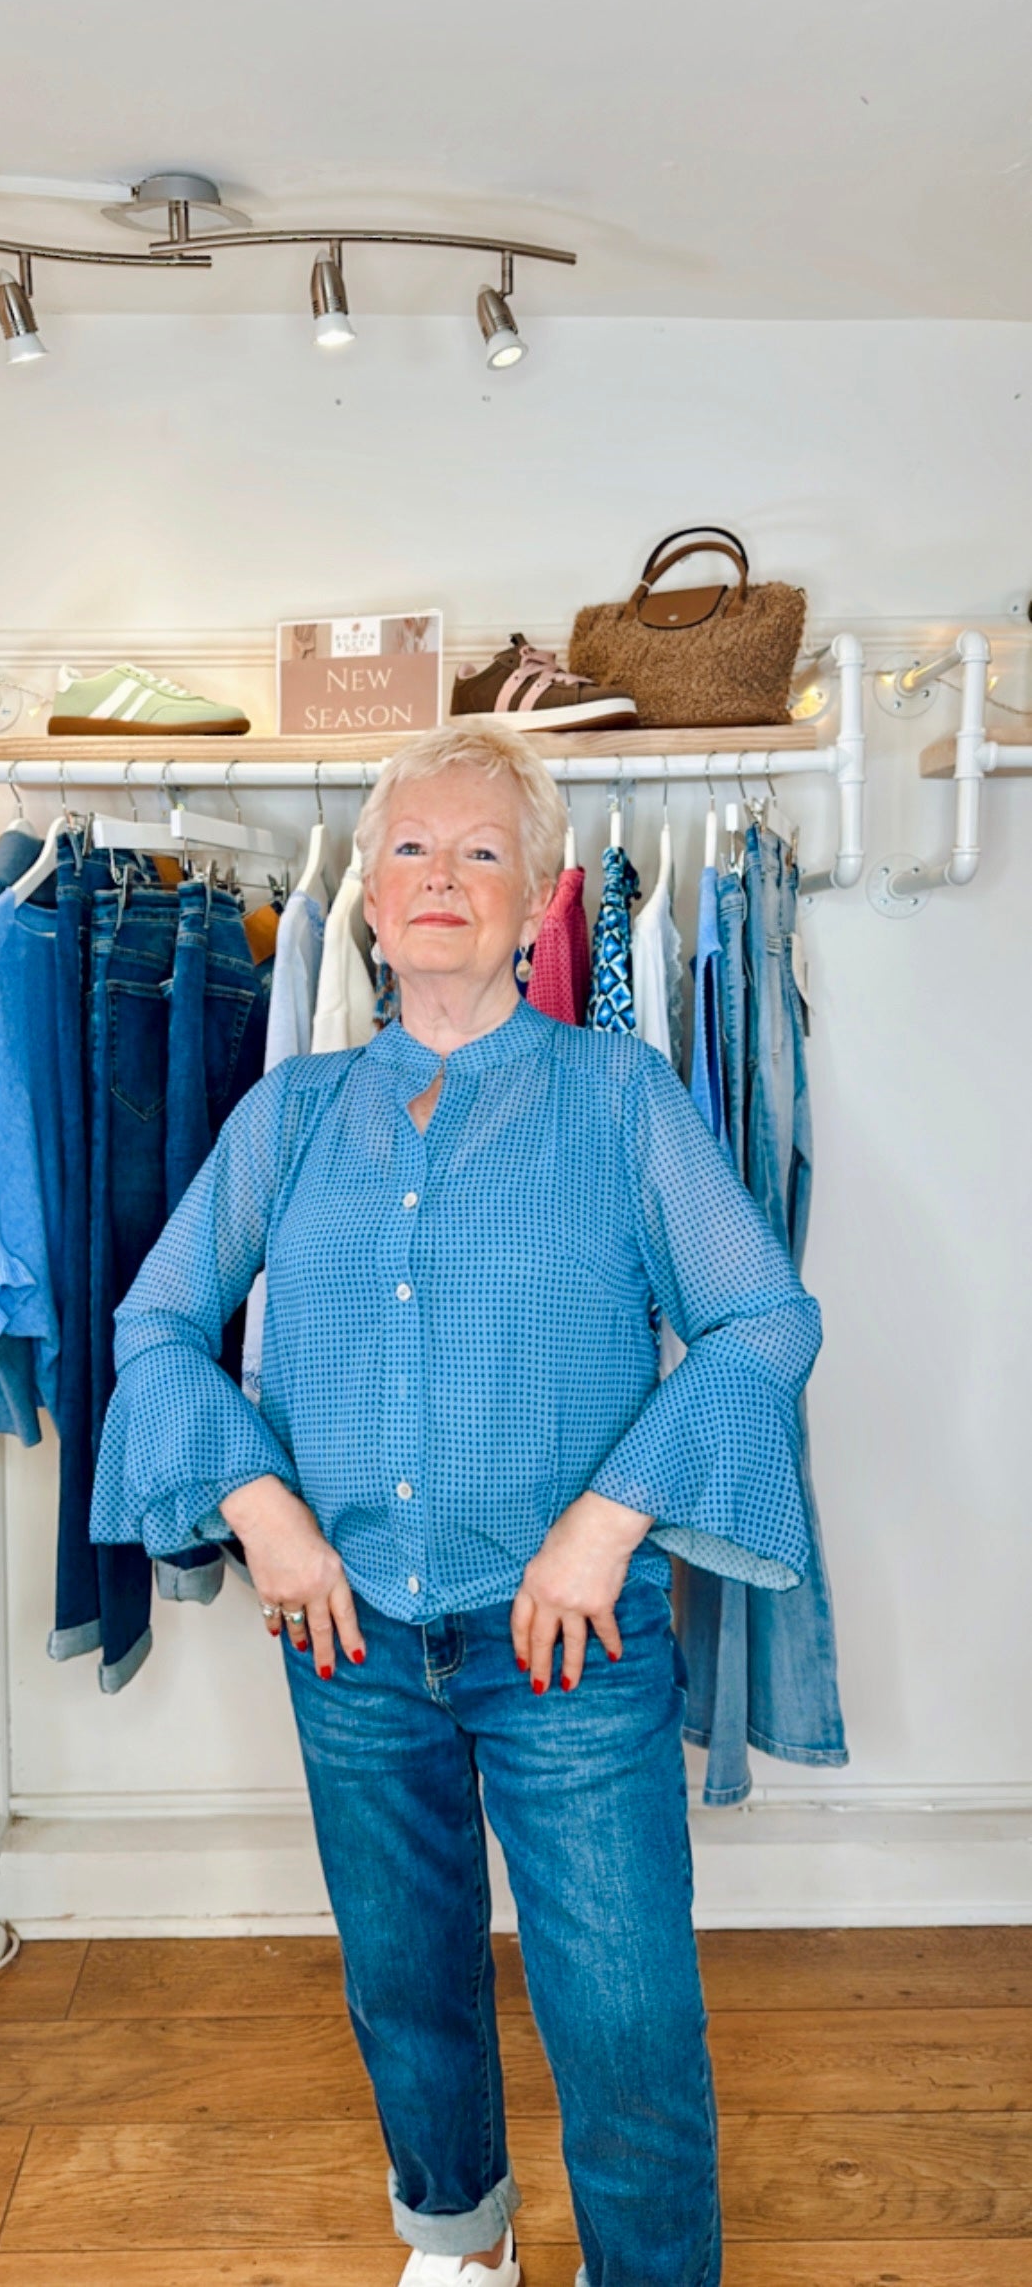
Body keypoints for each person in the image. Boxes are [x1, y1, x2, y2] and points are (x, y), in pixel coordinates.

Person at [90, 723, 822, 2287]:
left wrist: (606, 1518)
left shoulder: (618, 1095)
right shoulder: (287, 1115)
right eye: (408, 847)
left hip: (567, 1640)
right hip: (349, 1637)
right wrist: (261, 1510)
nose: (439, 876)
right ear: (364, 891)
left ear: (538, 893)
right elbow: (153, 1324)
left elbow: (764, 1317)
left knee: (619, 2005)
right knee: (405, 1976)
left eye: (480, 850)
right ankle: (460, 2239)